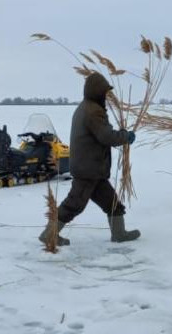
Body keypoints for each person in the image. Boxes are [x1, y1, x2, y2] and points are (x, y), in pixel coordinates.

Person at [39, 72, 139, 246]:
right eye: (104, 92)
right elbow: (105, 136)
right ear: (96, 92)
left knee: (112, 203)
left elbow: (100, 134)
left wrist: (120, 135)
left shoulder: (85, 107)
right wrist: (125, 136)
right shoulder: (93, 111)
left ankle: (119, 234)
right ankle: (49, 234)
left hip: (92, 168)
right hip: (88, 169)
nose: (106, 95)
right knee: (74, 204)